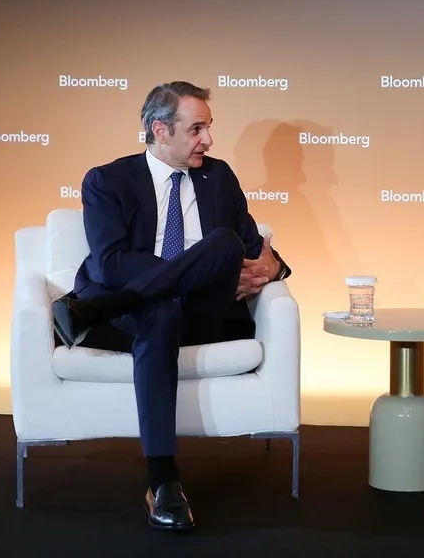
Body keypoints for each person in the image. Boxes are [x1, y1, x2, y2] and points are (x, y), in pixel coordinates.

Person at [51, 81, 292, 532]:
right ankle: (163, 482)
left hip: (199, 312)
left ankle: (87, 313)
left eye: (209, 127)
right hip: (133, 317)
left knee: (223, 242)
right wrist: (195, 272)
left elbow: (254, 248)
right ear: (160, 130)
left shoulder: (219, 177)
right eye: (196, 129)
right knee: (162, 311)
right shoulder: (107, 180)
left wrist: (272, 268)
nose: (208, 139)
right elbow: (110, 263)